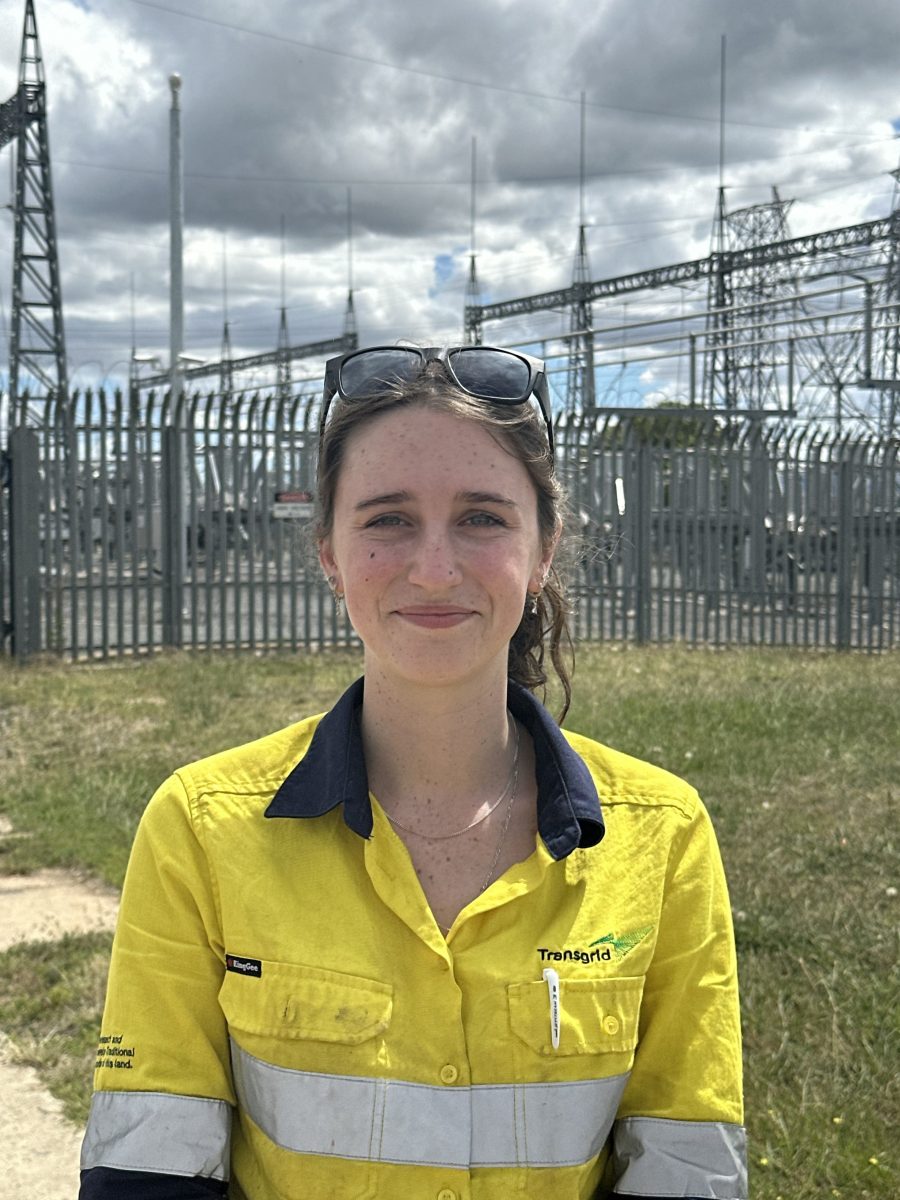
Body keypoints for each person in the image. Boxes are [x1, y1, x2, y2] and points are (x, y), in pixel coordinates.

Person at [79, 344, 747, 1199]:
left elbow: (686, 1175)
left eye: (483, 518)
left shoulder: (663, 836)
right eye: (388, 519)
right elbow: (148, 1174)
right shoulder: (201, 830)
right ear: (328, 551)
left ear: (542, 552)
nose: (434, 568)